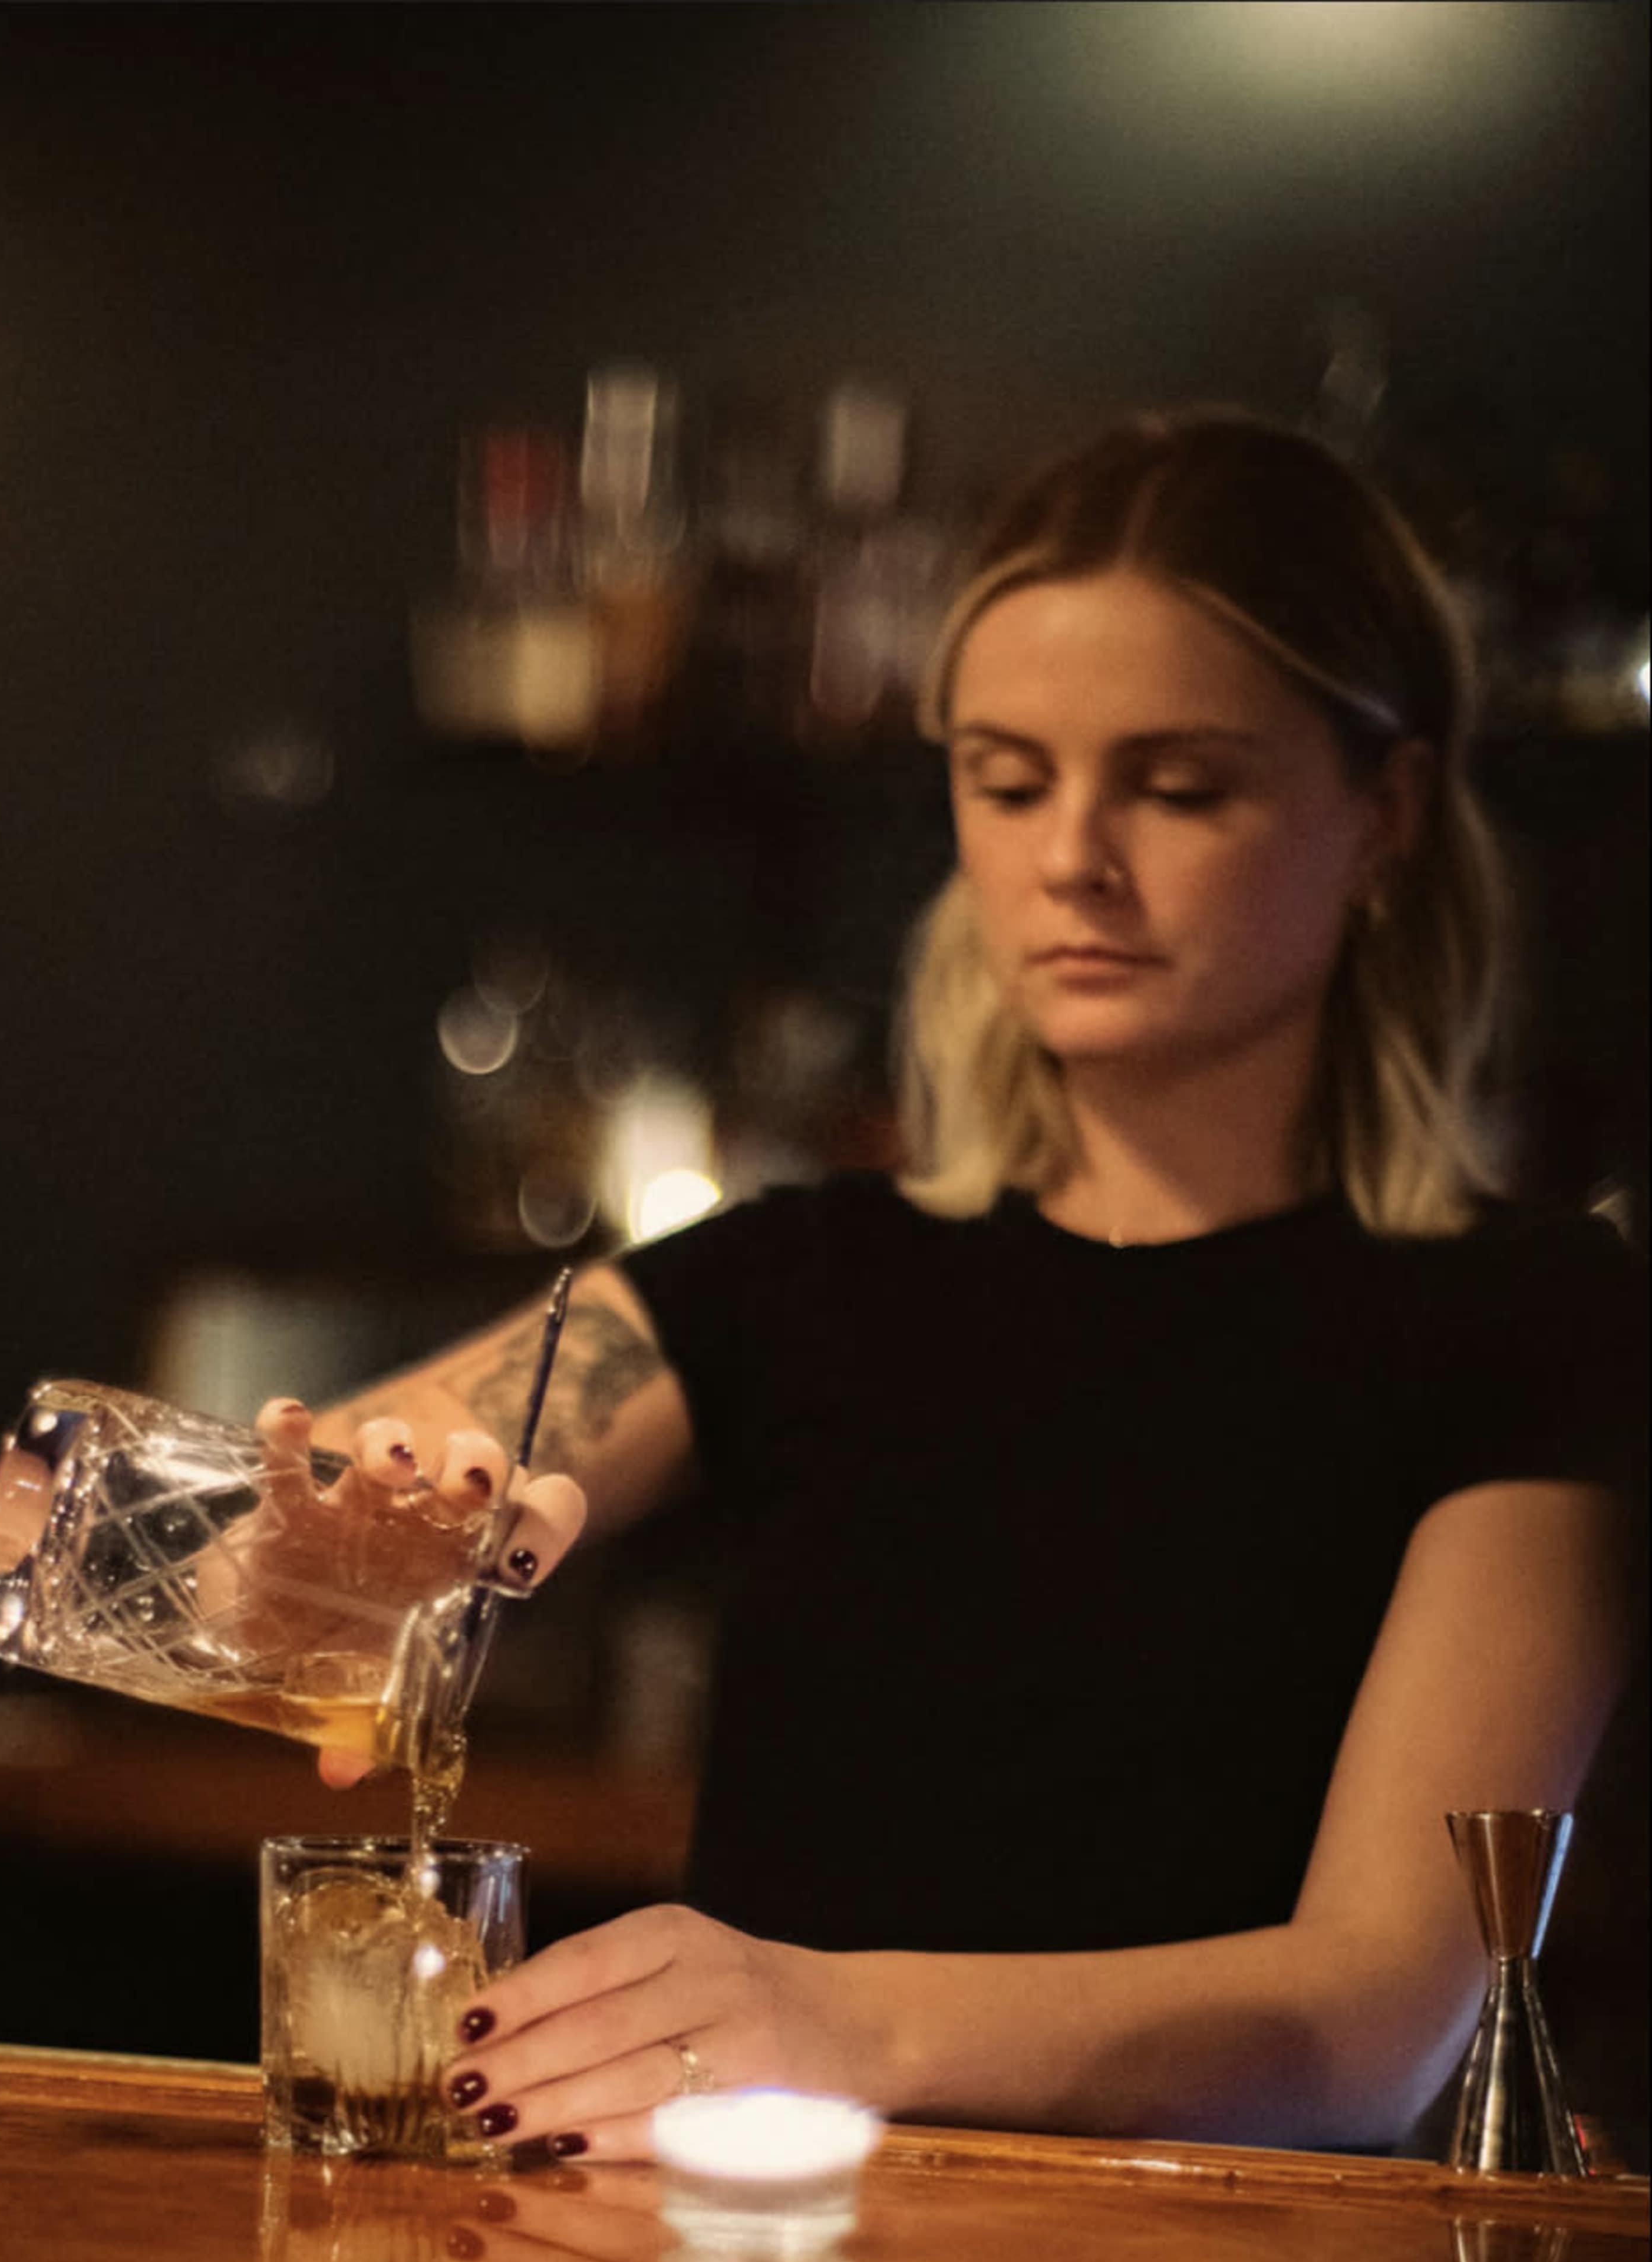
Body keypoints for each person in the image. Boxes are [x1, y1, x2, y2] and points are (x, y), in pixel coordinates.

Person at [291, 410, 1640, 2160]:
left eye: (1178, 785)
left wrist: (829, 2018)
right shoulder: (800, 1275)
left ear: (1382, 810)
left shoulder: (1529, 1325)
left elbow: (1365, 2028)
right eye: (1007, 780)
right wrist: (341, 1559)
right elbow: (299, 1536)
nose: (1072, 856)